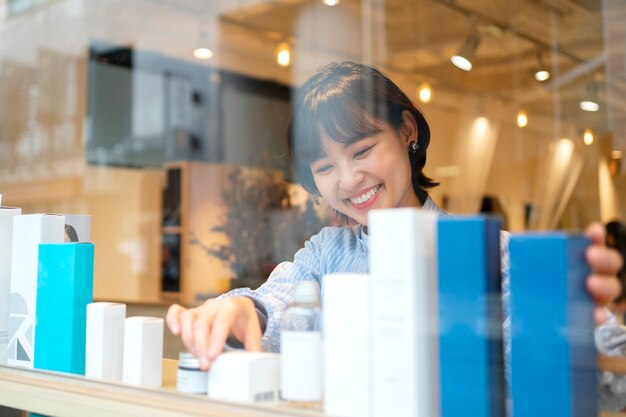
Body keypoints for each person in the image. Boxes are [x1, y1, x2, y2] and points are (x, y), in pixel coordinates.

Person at [166, 62, 624, 372]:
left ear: (407, 131)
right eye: (324, 167)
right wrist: (246, 310)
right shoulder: (327, 254)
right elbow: (279, 301)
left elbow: (593, 380)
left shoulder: (493, 254)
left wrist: (588, 336)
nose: (347, 179)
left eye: (362, 150)